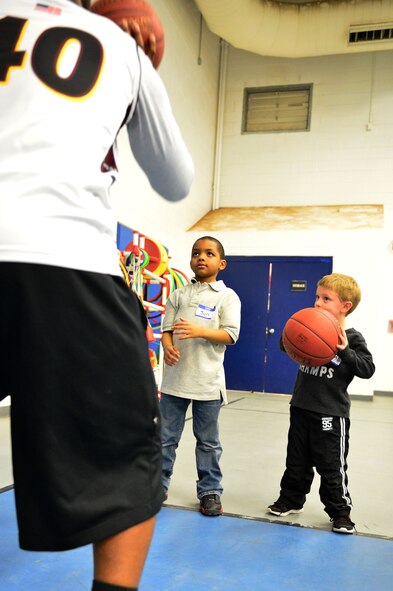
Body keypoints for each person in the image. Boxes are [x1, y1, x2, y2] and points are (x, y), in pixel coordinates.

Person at [0, 1, 193, 590]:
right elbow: (175, 180)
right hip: (57, 254)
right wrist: (139, 75)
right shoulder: (123, 48)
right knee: (126, 448)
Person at [267, 273, 375, 534]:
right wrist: (296, 330)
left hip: (330, 414)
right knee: (296, 460)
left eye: (326, 298)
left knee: (331, 465)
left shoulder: (352, 337)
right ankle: (291, 499)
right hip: (301, 406)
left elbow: (367, 368)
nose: (317, 302)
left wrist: (344, 351)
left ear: (345, 306)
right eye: (317, 297)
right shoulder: (310, 325)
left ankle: (340, 511)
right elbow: (285, 345)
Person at [160, 236, 241, 516]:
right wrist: (168, 348)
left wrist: (200, 331)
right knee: (165, 437)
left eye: (209, 253)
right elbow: (166, 330)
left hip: (207, 384)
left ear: (221, 263)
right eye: (196, 253)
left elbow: (231, 334)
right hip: (174, 382)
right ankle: (157, 484)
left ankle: (209, 491)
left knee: (208, 442)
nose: (201, 257)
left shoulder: (226, 297)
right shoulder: (178, 295)